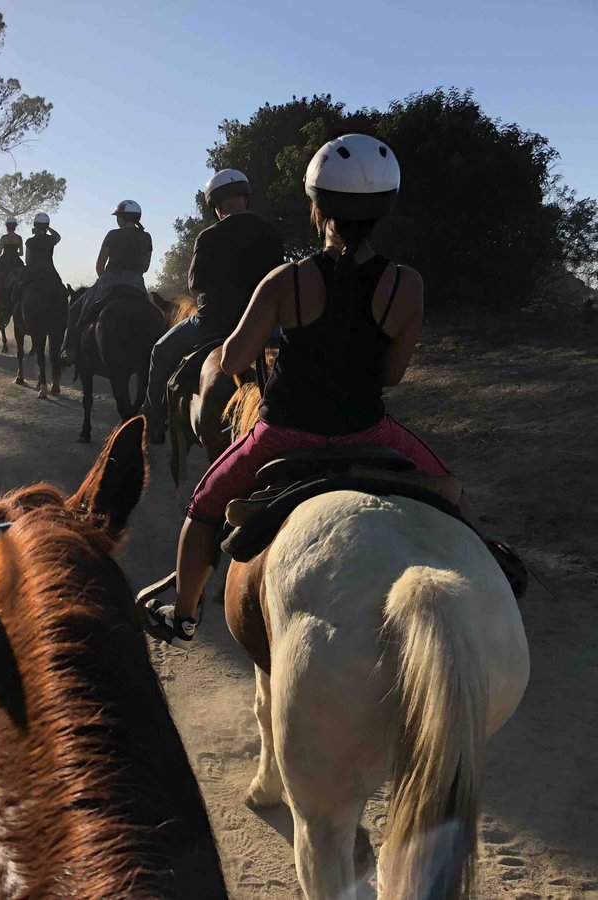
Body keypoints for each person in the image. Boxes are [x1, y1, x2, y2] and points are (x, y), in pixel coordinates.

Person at [140, 134, 525, 648]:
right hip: (369, 429)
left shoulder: (286, 281)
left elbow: (232, 360)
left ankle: (184, 615)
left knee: (204, 506)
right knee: (450, 490)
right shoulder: (407, 284)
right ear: (385, 208)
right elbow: (390, 377)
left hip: (282, 436)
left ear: (316, 207)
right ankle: (493, 565)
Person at [142, 171, 284, 443]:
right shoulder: (270, 232)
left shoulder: (208, 236)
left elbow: (195, 284)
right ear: (246, 198)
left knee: (160, 352)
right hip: (265, 323)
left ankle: (153, 421)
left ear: (216, 206)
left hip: (213, 323)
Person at [60, 200, 152, 365]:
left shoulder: (112, 234)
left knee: (74, 311)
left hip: (110, 280)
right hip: (136, 284)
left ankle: (69, 350)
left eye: (118, 217)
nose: (117, 220)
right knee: (156, 313)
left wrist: (104, 279)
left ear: (122, 218)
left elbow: (99, 264)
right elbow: (145, 267)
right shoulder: (146, 236)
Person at [9, 212, 62, 312]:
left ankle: (15, 315)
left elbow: (27, 261)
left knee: (16, 293)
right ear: (47, 225)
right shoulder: (51, 239)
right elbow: (58, 236)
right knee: (62, 290)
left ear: (35, 225)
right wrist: (48, 228)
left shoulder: (30, 241)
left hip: (32, 273)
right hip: (50, 272)